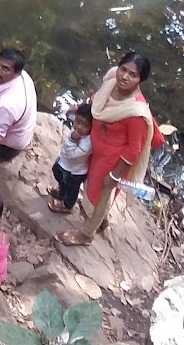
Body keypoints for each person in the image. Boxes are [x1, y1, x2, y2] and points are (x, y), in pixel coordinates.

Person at [62, 52, 163, 248]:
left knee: (99, 192)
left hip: (112, 159)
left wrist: (115, 175)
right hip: (96, 146)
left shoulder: (136, 114)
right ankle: (102, 221)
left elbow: (134, 150)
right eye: (123, 69)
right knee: (93, 186)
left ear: (140, 80)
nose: (124, 76)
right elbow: (97, 103)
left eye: (132, 75)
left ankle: (86, 234)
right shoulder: (111, 80)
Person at [47, 101, 92, 214]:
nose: (79, 127)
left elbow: (72, 154)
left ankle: (67, 205)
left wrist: (72, 140)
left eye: (85, 125)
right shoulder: (75, 130)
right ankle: (62, 193)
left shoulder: (87, 142)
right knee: (58, 174)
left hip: (75, 171)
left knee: (72, 189)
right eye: (77, 122)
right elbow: (68, 113)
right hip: (64, 163)